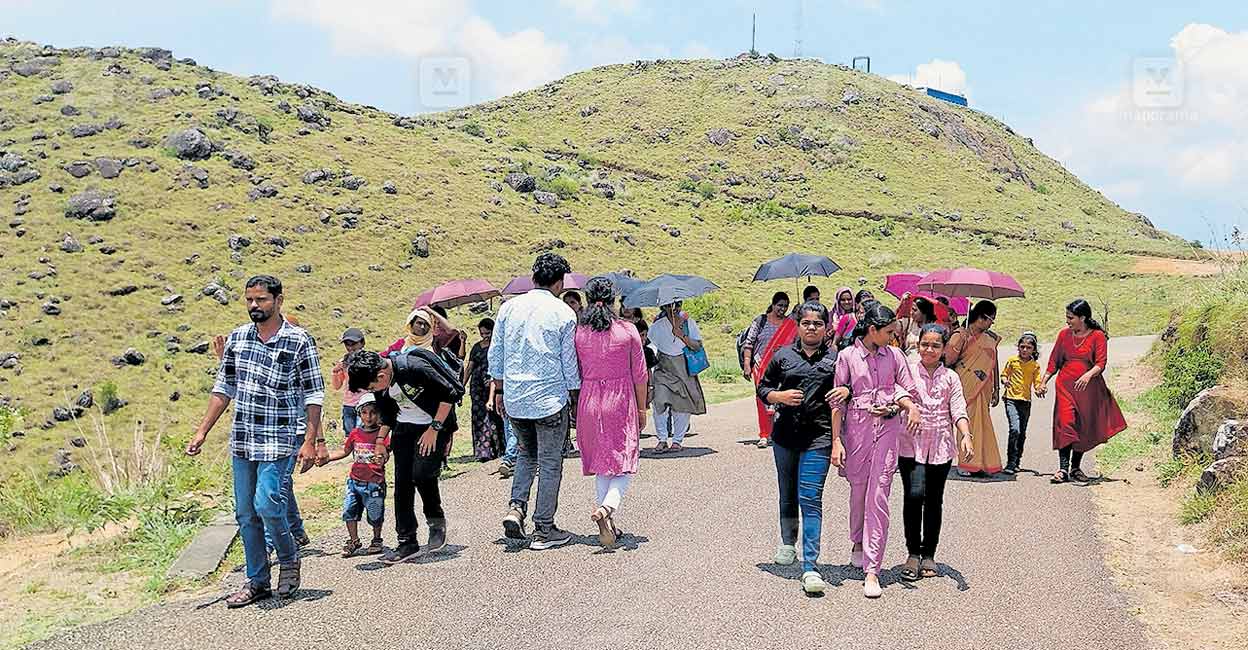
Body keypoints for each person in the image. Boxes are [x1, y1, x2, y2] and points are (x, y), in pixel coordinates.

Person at [186, 275, 325, 607]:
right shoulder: (238, 339)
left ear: (278, 301)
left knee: (267, 503)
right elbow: (224, 389)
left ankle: (289, 558)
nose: (254, 306)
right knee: (246, 514)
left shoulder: (298, 340)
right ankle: (257, 580)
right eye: (249, 300)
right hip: (244, 440)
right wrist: (202, 430)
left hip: (280, 438)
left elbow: (314, 393)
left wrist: (311, 440)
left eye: (261, 300)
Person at [829, 301, 921, 599]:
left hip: (887, 431)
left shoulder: (895, 355)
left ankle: (873, 569)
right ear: (873, 330)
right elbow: (836, 401)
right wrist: (836, 441)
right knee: (859, 492)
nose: (894, 337)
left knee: (879, 496)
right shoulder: (846, 356)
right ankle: (857, 541)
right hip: (856, 433)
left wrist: (900, 406)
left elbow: (909, 390)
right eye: (889, 331)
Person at [757, 302, 850, 594]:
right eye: (807, 323)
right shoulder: (783, 355)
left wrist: (846, 390)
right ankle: (788, 543)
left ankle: (810, 566)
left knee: (810, 498)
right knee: (788, 493)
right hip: (784, 437)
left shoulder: (836, 360)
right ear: (798, 326)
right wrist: (779, 396)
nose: (812, 328)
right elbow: (763, 388)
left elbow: (851, 388)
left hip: (818, 439)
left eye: (818, 323)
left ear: (826, 328)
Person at [490, 252, 581, 550]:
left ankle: (516, 508)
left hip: (515, 397)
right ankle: (544, 529)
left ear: (533, 277)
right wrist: (575, 396)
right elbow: (569, 365)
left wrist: (500, 390)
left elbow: (497, 353)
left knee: (527, 455)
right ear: (559, 282)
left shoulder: (508, 308)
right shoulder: (564, 313)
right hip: (549, 399)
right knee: (551, 462)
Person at [346, 344, 464, 564]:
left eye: (371, 385)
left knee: (422, 475)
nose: (372, 390)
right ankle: (407, 542)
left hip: (433, 426)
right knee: (402, 484)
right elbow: (389, 413)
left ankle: (436, 520)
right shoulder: (380, 384)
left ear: (381, 375)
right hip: (404, 429)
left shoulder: (413, 368)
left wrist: (434, 429)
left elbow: (449, 393)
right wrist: (380, 441)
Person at [573, 277, 649, 548]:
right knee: (624, 459)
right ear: (614, 301)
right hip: (620, 399)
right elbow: (640, 375)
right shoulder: (627, 330)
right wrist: (641, 409)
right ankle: (607, 508)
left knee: (604, 462)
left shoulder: (580, 333)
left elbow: (577, 371)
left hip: (590, 399)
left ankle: (609, 523)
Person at [898, 324, 974, 582]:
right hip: (911, 446)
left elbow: (958, 408)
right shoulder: (907, 369)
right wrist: (909, 406)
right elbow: (897, 391)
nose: (929, 350)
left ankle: (928, 554)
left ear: (944, 349)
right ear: (918, 345)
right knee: (913, 495)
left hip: (941, 447)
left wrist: (965, 435)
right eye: (924, 344)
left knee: (933, 500)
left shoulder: (950, 377)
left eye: (935, 345)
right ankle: (912, 553)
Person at [1037, 299, 1127, 484]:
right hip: (1065, 387)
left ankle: (1075, 467)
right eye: (1067, 317)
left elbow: (1101, 363)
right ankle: (1062, 469)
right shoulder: (1063, 335)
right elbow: (1054, 361)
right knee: (1066, 423)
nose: (1067, 321)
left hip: (1088, 389)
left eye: (1071, 318)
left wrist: (1088, 375)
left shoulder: (1097, 336)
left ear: (1083, 318)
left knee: (1082, 426)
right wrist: (1043, 381)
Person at [324, 393, 389, 558]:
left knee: (375, 513)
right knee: (349, 511)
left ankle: (376, 539)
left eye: (373, 412)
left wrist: (381, 458)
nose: (369, 416)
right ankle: (354, 540)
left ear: (379, 414)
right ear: (359, 414)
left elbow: (386, 453)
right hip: (354, 481)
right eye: (365, 412)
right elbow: (345, 451)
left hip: (374, 482)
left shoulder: (382, 435)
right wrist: (327, 458)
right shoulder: (355, 433)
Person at [945, 300, 1003, 477]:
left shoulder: (990, 338)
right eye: (990, 319)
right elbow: (947, 361)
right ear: (980, 318)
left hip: (983, 387)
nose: (991, 323)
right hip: (964, 386)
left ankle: (983, 463)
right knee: (966, 423)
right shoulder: (960, 335)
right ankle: (966, 462)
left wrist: (996, 389)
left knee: (982, 425)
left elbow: (994, 363)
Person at [648, 299, 708, 453]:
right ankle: (662, 439)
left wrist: (682, 336)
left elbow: (698, 345)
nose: (674, 308)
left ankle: (677, 440)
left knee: (682, 405)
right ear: (664, 307)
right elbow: (651, 345)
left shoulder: (689, 323)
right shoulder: (657, 326)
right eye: (669, 305)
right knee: (659, 402)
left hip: (683, 367)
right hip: (663, 368)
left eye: (677, 305)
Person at [742, 292, 792, 447]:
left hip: (782, 369)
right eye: (780, 305)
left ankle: (778, 433)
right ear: (773, 304)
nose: (782, 309)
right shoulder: (761, 321)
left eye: (785, 306)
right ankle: (764, 434)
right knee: (762, 400)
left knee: (781, 400)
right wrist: (747, 364)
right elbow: (749, 344)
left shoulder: (789, 324)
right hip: (760, 366)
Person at [1001, 332, 1044, 474]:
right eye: (1022, 347)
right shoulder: (1012, 361)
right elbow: (1004, 374)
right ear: (1018, 347)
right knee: (1015, 429)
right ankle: (1010, 462)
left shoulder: (1035, 366)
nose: (1025, 350)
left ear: (1034, 350)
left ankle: (1017, 460)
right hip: (1011, 399)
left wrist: (1039, 389)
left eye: (1028, 347)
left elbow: (1037, 383)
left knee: (1022, 433)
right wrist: (1005, 380)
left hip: (1025, 402)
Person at [463, 318, 505, 462]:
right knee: (479, 417)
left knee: (495, 416)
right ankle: (483, 451)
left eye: (487, 333)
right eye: (482, 333)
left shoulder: (498, 346)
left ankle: (499, 448)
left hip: (495, 384)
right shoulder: (476, 347)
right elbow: (469, 368)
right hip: (477, 386)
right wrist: (461, 385)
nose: (485, 336)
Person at [332, 327, 368, 434]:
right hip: (348, 404)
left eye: (353, 344)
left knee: (363, 434)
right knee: (350, 436)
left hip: (365, 403)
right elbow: (337, 386)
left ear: (362, 343)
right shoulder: (343, 361)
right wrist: (335, 372)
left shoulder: (369, 360)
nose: (350, 347)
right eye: (347, 344)